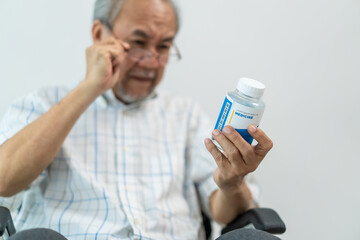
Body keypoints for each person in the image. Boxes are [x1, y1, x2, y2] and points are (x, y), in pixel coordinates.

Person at [0, 0, 273, 239]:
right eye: (138, 43)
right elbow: (5, 179)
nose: (151, 62)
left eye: (163, 47)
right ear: (99, 34)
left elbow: (224, 212)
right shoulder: (43, 103)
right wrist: (89, 88)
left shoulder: (186, 116)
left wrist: (232, 182)